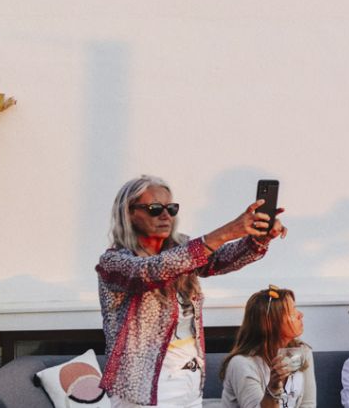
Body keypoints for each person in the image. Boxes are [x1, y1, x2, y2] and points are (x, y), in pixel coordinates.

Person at [97, 174, 287, 408]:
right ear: (128, 213)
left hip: (189, 378)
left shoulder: (181, 249)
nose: (166, 215)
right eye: (155, 208)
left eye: (171, 208)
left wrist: (259, 239)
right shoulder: (114, 261)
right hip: (145, 387)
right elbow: (152, 270)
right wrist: (228, 231)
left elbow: (220, 260)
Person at [221, 285, 317, 408]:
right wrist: (273, 389)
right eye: (292, 311)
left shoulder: (302, 352)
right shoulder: (242, 364)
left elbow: (308, 405)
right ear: (270, 322)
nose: (300, 314)